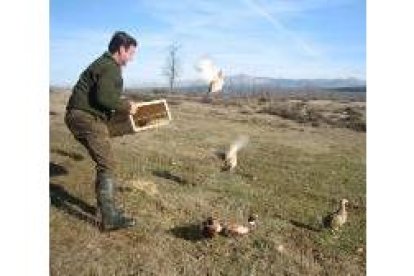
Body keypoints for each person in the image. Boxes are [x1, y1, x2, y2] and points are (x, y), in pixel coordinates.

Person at [65, 31, 139, 232]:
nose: (132, 58)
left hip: (81, 116)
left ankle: (107, 212)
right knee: (107, 164)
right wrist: (127, 107)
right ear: (121, 49)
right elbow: (104, 99)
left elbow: (101, 100)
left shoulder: (104, 64)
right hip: (85, 118)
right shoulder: (110, 67)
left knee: (105, 160)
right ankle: (109, 218)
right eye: (131, 53)